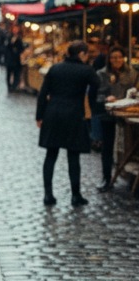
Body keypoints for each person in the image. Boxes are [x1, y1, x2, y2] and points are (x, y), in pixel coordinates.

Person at [36, 40, 100, 207]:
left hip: (53, 114)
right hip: (74, 115)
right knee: (73, 156)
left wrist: (39, 116)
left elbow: (43, 94)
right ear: (81, 54)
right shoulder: (86, 70)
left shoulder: (55, 68)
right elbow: (97, 84)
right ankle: (75, 195)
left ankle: (48, 195)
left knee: (51, 155)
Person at [95, 47, 135, 192]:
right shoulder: (101, 74)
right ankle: (106, 177)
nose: (116, 60)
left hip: (127, 115)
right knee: (107, 147)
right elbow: (97, 95)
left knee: (128, 146)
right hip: (108, 116)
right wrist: (106, 98)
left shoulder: (132, 73)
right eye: (113, 57)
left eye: (119, 57)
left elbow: (135, 91)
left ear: (123, 58)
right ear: (109, 59)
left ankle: (129, 177)